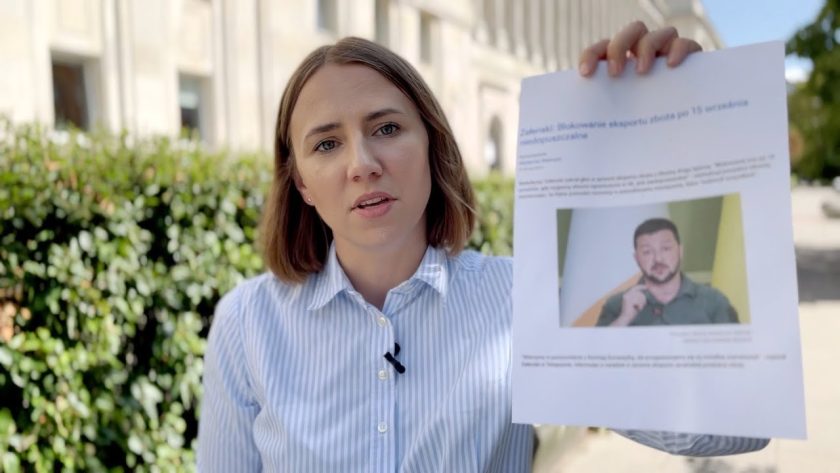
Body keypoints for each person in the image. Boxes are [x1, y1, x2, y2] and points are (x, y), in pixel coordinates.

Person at [197, 22, 768, 472]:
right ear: (300, 183)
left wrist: (686, 147)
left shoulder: (520, 299)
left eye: (387, 129)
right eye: (326, 144)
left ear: (432, 144)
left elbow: (730, 427)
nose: (362, 164)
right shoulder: (247, 325)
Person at [597, 217, 740, 327]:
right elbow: (596, 352)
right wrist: (624, 318)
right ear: (636, 259)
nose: (658, 259)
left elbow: (736, 351)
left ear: (680, 251)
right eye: (647, 252)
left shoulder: (714, 301)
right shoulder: (616, 305)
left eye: (665, 249)